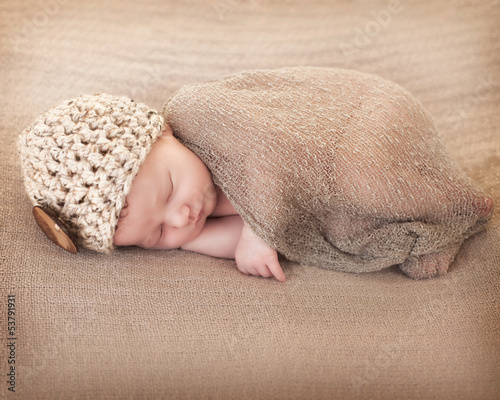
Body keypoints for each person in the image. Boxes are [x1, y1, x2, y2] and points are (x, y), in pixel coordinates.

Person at [112, 124, 287, 282]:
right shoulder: (193, 215)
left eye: (170, 192)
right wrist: (190, 241)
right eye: (159, 233)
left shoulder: (197, 120)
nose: (180, 220)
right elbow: (246, 241)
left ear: (162, 132)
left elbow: (271, 147)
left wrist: (255, 234)